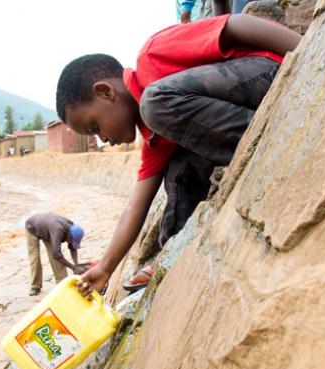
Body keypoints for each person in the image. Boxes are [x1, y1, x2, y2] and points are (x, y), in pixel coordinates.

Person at [55, 14, 301, 296]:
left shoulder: (153, 57)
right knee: (178, 172)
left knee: (154, 103)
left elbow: (234, 26)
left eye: (95, 127)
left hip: (268, 74)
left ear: (106, 92)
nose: (103, 140)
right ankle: (170, 256)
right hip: (243, 115)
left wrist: (307, 50)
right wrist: (106, 267)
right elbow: (135, 207)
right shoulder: (155, 137)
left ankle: (265, 136)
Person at [25, 212, 85, 296]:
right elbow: (56, 254)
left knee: (57, 258)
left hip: (47, 230)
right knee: (35, 259)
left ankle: (62, 282)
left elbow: (73, 247)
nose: (72, 242)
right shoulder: (58, 230)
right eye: (72, 240)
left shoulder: (72, 228)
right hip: (32, 227)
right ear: (69, 235)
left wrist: (76, 265)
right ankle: (35, 286)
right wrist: (73, 268)